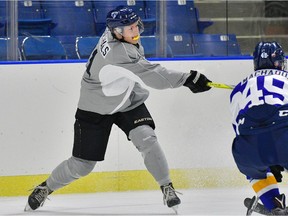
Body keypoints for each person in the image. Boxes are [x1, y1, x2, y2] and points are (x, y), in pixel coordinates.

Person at [24, 6, 212, 213]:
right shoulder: (118, 52)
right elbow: (154, 75)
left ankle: (167, 186)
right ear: (117, 31)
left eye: (135, 25)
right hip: (95, 106)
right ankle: (45, 187)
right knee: (82, 165)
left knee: (147, 138)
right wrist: (188, 78)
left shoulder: (117, 34)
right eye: (129, 28)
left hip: (126, 99)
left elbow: (141, 67)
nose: (135, 31)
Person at [230, 41, 288, 215]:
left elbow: (238, 129)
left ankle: (274, 204)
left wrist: (269, 157)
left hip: (247, 150)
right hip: (283, 136)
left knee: (254, 171)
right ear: (280, 61)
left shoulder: (238, 88)